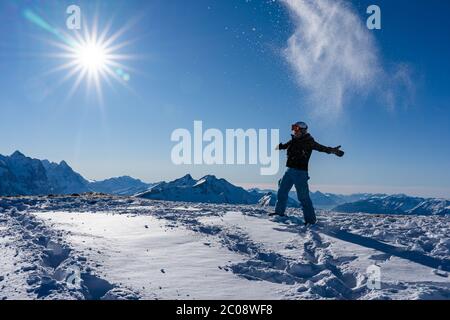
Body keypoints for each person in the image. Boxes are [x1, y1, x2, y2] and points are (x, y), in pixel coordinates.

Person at [270, 121, 344, 226]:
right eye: (293, 129)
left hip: (301, 173)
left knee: (303, 197)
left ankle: (310, 221)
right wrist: (279, 146)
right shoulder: (293, 140)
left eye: (296, 129)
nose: (294, 131)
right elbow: (285, 146)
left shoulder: (309, 141)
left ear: (302, 130)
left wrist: (333, 151)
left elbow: (322, 148)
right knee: (282, 192)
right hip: (289, 170)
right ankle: (279, 213)